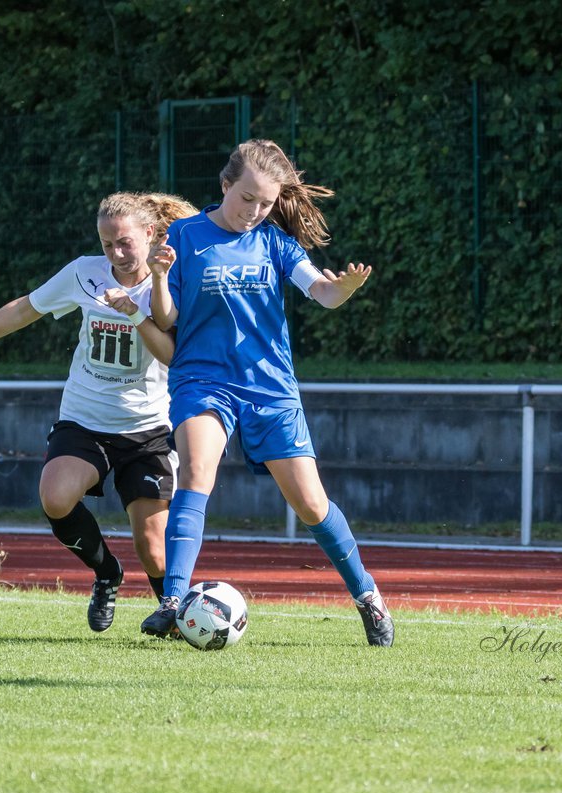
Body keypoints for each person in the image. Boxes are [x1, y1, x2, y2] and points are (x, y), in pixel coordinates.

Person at [140, 139, 395, 646]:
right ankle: (172, 601)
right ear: (225, 185)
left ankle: (368, 596)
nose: (254, 212)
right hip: (202, 379)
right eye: (247, 199)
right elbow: (166, 318)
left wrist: (339, 290)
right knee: (194, 473)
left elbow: (319, 290)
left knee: (311, 506)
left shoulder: (276, 243)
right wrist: (159, 274)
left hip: (270, 389)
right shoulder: (185, 236)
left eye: (265, 203)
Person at [0, 192, 196, 633]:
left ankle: (173, 616)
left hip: (147, 428)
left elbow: (172, 356)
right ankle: (107, 574)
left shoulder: (170, 282)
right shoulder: (83, 272)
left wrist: (133, 315)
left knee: (154, 549)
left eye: (125, 242)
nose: (117, 253)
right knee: (55, 496)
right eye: (107, 244)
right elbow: (26, 308)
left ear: (150, 234)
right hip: (84, 420)